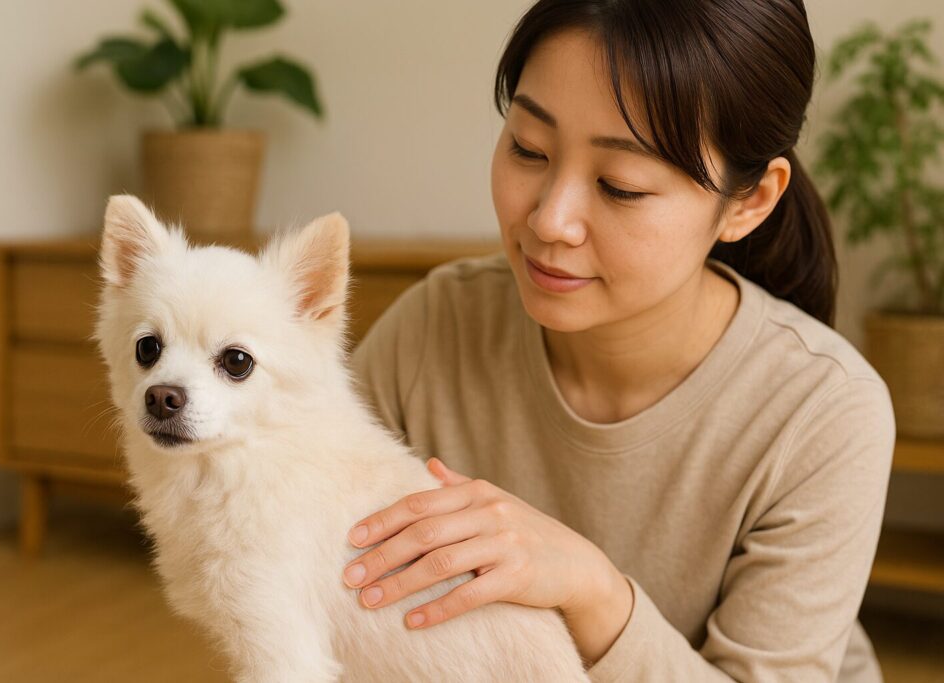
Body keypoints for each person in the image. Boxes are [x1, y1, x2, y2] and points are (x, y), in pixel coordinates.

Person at [344, 1, 896, 680]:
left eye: (620, 186)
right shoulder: (434, 329)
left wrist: (592, 592)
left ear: (749, 201)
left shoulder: (824, 413)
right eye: (528, 148)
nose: (551, 220)